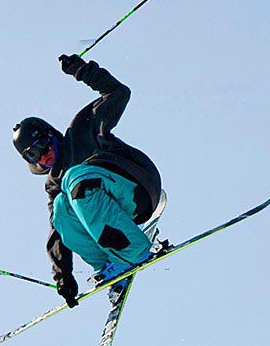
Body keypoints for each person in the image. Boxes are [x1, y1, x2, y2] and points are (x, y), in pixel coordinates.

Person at [11, 54, 165, 307]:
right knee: (60, 210)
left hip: (137, 185)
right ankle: (110, 266)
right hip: (105, 210)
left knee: (74, 178)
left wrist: (82, 71)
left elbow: (118, 93)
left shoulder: (82, 130)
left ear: (52, 135)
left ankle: (133, 251)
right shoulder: (53, 184)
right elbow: (58, 234)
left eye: (43, 145)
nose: (45, 156)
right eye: (35, 155)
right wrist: (64, 277)